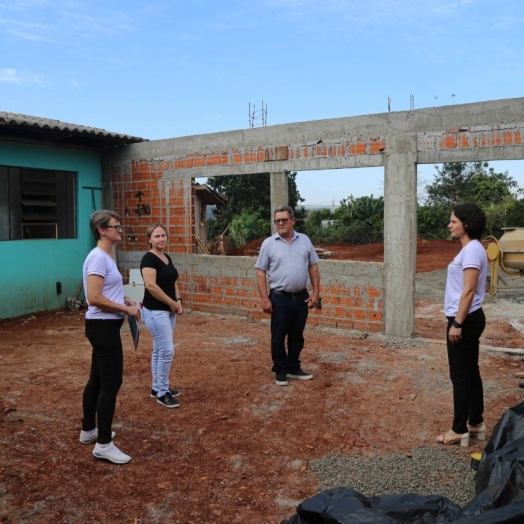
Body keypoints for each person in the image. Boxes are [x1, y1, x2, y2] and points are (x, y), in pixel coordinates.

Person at [80, 210, 139, 464]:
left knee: (97, 379)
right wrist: (126, 309)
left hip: (103, 325)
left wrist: (121, 298)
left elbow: (101, 293)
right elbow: (92, 298)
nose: (120, 230)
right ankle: (103, 443)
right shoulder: (98, 258)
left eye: (119, 226)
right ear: (101, 230)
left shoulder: (106, 256)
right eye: (115, 226)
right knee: (111, 382)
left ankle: (88, 430)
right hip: (103, 326)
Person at [436, 203, 488, 447]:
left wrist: (456, 323)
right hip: (470, 318)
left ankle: (459, 429)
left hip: (464, 319)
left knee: (461, 376)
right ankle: (475, 423)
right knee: (471, 373)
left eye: (454, 221)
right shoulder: (473, 249)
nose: (449, 225)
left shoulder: (471, 251)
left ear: (466, 225)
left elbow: (468, 291)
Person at [255, 205, 320, 386]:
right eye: (277, 221)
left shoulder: (305, 240)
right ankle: (281, 370)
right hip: (279, 298)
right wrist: (265, 299)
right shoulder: (268, 244)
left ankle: (294, 367)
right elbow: (261, 272)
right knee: (278, 336)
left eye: (284, 220)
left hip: (301, 297)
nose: (281, 223)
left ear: (293, 221)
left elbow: (313, 266)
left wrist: (316, 292)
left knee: (297, 335)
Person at [140, 223, 183, 408]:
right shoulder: (148, 259)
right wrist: (172, 303)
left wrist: (178, 299)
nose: (161, 239)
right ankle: (162, 393)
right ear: (149, 239)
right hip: (155, 310)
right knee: (167, 350)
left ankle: (157, 387)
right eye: (156, 236)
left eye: (163, 235)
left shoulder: (166, 257)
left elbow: (173, 280)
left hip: (169, 310)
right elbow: (151, 287)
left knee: (159, 349)